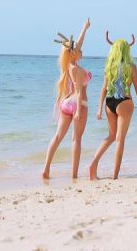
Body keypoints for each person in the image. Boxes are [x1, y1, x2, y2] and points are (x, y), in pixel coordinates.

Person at [88, 32, 137, 180]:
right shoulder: (132, 67)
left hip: (109, 103)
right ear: (126, 51)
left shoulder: (109, 67)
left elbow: (103, 89)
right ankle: (115, 176)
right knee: (120, 139)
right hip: (124, 102)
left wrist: (99, 108)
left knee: (111, 136)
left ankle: (93, 163)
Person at [41, 17, 92, 179]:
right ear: (73, 53)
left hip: (66, 104)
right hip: (79, 104)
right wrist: (77, 110)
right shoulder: (76, 69)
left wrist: (85, 28)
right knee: (76, 139)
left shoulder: (67, 66)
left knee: (57, 137)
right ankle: (74, 175)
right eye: (78, 49)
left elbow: (78, 44)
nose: (81, 49)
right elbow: (78, 90)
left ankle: (46, 169)